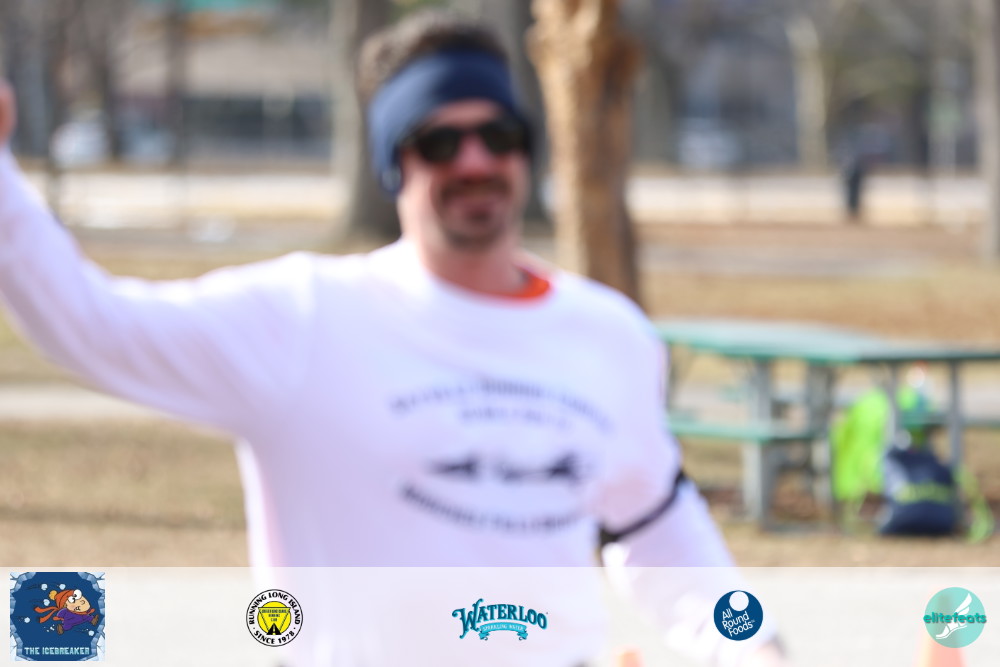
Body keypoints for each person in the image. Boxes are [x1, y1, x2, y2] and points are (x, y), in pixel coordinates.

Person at [0, 10, 788, 667]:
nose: (474, 160)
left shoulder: (609, 335)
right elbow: (90, 323)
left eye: (497, 134)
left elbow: (661, 535)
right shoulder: (305, 317)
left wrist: (752, 645)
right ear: (392, 165)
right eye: (438, 143)